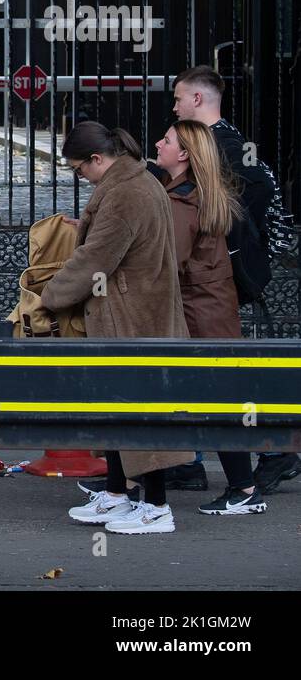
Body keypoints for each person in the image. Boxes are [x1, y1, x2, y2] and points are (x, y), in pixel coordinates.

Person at [43, 122, 189, 535]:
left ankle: (157, 506)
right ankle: (119, 495)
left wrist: (49, 296)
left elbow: (96, 258)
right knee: (121, 408)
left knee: (140, 411)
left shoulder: (127, 193)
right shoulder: (135, 182)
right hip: (136, 310)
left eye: (78, 169)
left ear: (96, 159)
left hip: (134, 316)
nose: (79, 177)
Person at [172, 65, 299, 494]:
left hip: (215, 276)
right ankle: (191, 458)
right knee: (199, 367)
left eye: (178, 98)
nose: (173, 107)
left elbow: (262, 191)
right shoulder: (220, 140)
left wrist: (230, 240)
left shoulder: (220, 143)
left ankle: (271, 452)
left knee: (218, 370)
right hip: (215, 274)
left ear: (197, 100)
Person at [156, 120, 267, 516]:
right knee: (215, 399)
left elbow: (168, 260)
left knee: (215, 401)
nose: (159, 143)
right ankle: (188, 473)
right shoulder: (199, 192)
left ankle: (242, 488)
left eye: (167, 140)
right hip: (212, 309)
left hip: (198, 314)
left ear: (184, 154)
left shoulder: (183, 200)